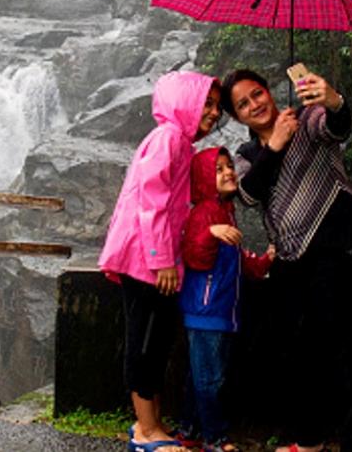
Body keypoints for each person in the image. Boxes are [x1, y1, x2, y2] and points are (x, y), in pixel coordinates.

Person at [220, 68, 352, 452]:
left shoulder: (306, 121)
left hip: (345, 245)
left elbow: (337, 126)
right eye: (243, 104)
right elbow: (247, 195)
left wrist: (333, 99)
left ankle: (335, 440)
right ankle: (312, 437)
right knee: (294, 344)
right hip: (295, 256)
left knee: (333, 340)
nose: (254, 105)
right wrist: (274, 146)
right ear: (237, 117)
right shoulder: (246, 155)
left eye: (257, 94)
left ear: (269, 92)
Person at [99, 70, 223, 452]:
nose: (215, 113)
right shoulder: (168, 138)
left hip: (155, 259)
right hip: (146, 259)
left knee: (157, 338)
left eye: (217, 107)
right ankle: (144, 429)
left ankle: (152, 422)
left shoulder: (179, 143)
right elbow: (150, 203)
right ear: (183, 102)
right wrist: (162, 260)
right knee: (145, 340)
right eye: (207, 103)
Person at [175, 146, 274, 452]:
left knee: (200, 376)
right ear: (204, 179)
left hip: (218, 309)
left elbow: (236, 257)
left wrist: (263, 262)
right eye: (218, 169)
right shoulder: (204, 213)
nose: (229, 171)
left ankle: (188, 430)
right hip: (206, 309)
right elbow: (194, 255)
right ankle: (214, 438)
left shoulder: (224, 211)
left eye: (229, 166)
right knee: (211, 379)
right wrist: (211, 233)